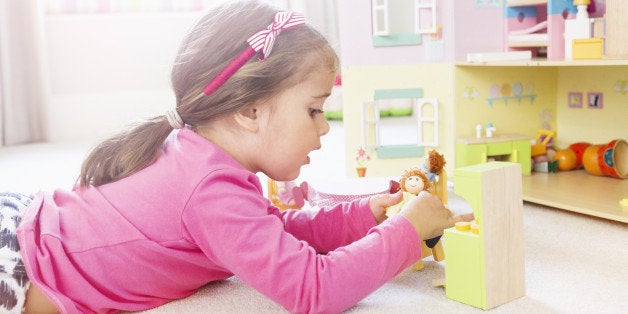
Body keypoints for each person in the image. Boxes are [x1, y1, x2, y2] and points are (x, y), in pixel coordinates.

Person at [4, 1, 473, 313]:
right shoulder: (210, 191)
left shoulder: (205, 160)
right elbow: (314, 289)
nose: (326, 126)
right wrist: (405, 233)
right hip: (15, 266)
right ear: (250, 111)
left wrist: (364, 215)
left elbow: (272, 233)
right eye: (314, 109)